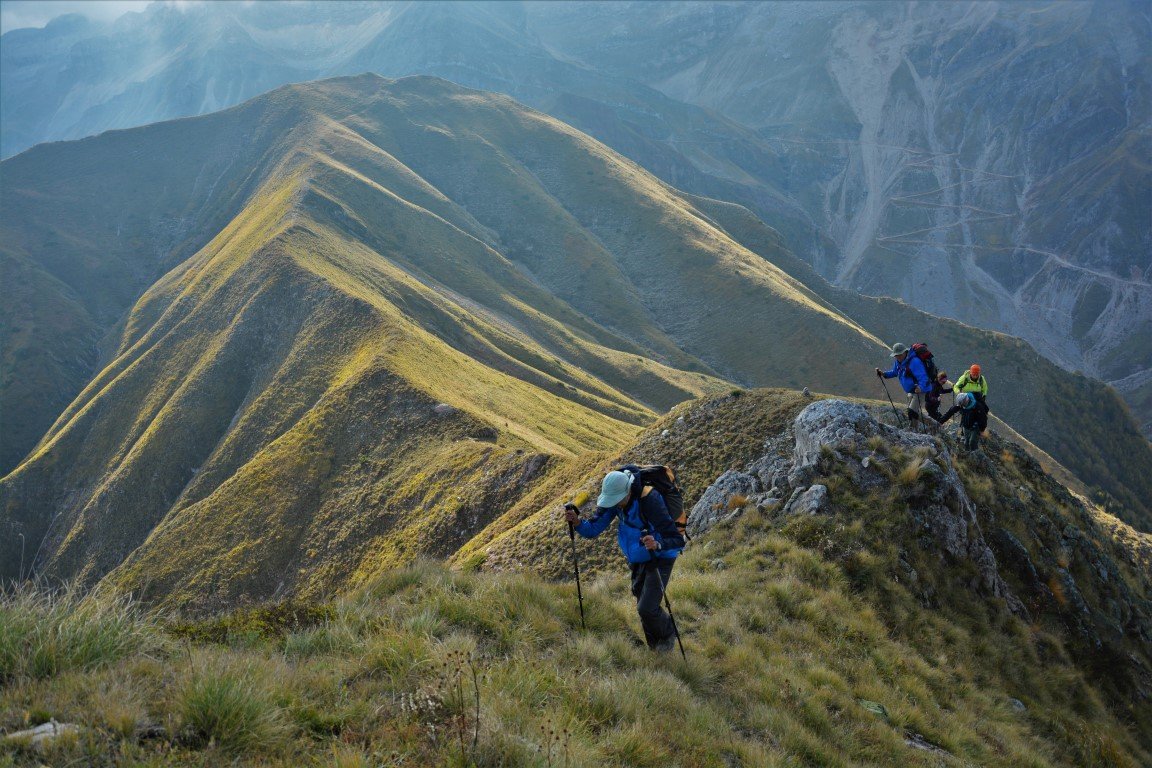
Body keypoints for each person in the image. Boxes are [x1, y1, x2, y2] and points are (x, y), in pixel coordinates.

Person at [564, 468, 685, 651]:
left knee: (646, 608)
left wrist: (657, 544)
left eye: (616, 501)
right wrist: (578, 523)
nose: (613, 505)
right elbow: (594, 528)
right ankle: (655, 649)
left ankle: (668, 636)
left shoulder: (649, 501)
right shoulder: (615, 500)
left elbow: (677, 540)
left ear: (628, 491)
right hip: (638, 557)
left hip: (660, 556)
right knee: (642, 604)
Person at [876, 342, 932, 425]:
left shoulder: (914, 362)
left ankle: (914, 431)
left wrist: (920, 387)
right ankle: (933, 425)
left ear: (905, 352)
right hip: (911, 391)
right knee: (913, 411)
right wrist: (884, 374)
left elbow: (923, 378)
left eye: (899, 355)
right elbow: (894, 372)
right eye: (896, 355)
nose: (898, 357)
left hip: (920, 390)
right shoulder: (898, 362)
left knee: (912, 411)